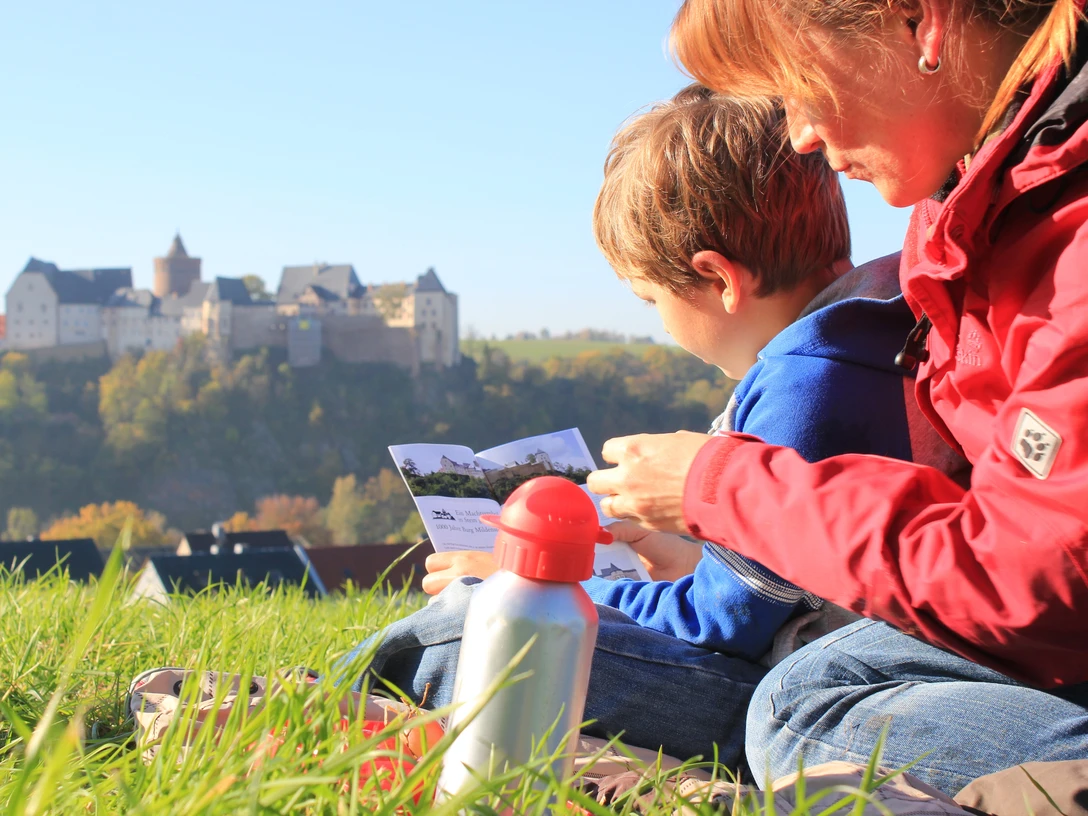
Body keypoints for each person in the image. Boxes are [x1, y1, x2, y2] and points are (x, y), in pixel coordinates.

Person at [337, 85, 959, 768]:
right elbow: (788, 581)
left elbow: (722, 624)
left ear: (718, 279)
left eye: (651, 299)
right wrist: (695, 561)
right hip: (862, 670)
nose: (660, 325)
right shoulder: (880, 332)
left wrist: (543, 583)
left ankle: (318, 711)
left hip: (802, 690)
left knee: (480, 626)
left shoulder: (804, 380)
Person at [586, 0, 1088, 796]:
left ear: (918, 23)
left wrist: (721, 488)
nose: (799, 135)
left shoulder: (1057, 228)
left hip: (1034, 640)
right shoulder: (974, 220)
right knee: (809, 693)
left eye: (796, 82)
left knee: (798, 706)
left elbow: (1037, 575)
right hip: (1012, 640)